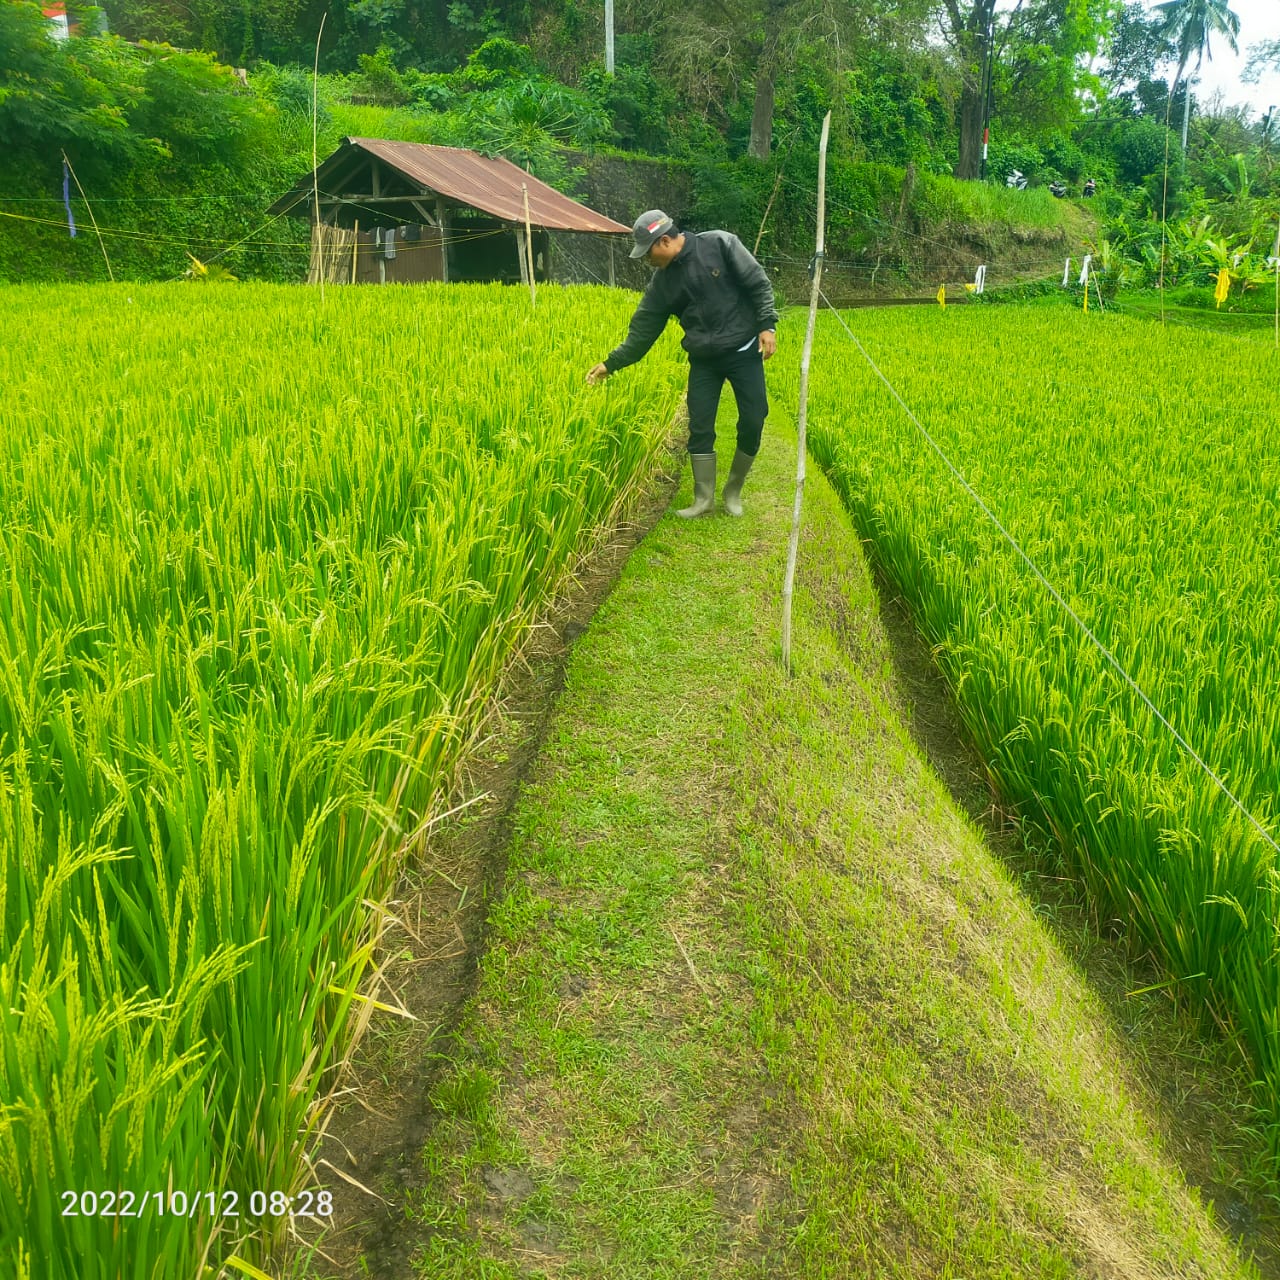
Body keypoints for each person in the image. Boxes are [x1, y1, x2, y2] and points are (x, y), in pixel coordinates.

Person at [586, 209, 778, 518]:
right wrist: (612, 363)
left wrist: (767, 325)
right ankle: (703, 500)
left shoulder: (720, 244)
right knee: (700, 426)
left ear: (664, 241)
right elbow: (643, 331)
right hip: (704, 360)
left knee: (754, 418)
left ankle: (733, 491)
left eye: (648, 253)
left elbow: (758, 283)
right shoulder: (662, 284)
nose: (647, 261)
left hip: (743, 350)